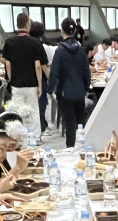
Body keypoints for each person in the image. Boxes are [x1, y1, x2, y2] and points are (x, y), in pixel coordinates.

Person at [1, 12, 48, 134]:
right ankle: (35, 137)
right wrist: (40, 85)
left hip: (16, 83)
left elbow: (7, 64)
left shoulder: (9, 42)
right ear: (28, 25)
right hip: (32, 84)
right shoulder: (35, 43)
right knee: (33, 111)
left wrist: (10, 79)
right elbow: (38, 66)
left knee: (17, 112)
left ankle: (19, 136)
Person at [49, 18, 90, 148]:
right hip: (80, 91)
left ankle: (70, 148)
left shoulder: (60, 51)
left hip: (65, 92)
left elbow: (54, 72)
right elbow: (86, 70)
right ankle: (82, 147)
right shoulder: (81, 49)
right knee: (80, 122)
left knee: (70, 124)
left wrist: (49, 90)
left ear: (62, 31)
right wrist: (86, 87)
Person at [29, 21, 55, 137]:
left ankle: (35, 128)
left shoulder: (26, 44)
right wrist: (52, 82)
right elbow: (43, 66)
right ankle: (42, 127)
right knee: (41, 104)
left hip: (27, 80)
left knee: (31, 106)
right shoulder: (41, 46)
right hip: (40, 79)